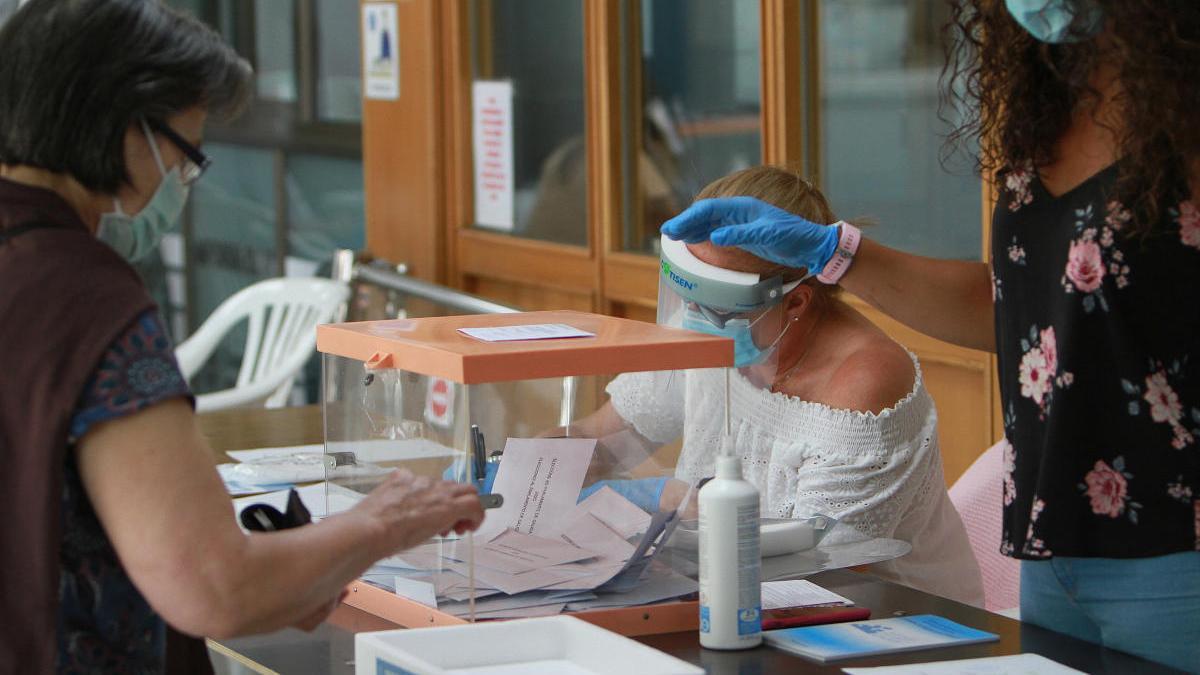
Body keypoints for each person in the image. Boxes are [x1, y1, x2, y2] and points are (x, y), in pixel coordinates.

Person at [660, 2, 1199, 670]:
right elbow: (1016, 305)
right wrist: (837, 253)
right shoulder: (1057, 98)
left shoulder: (1183, 110)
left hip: (1176, 548)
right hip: (1054, 540)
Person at [0, 2, 483, 672]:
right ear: (123, 126)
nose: (182, 186)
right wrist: (386, 520)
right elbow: (215, 585)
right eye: (186, 158)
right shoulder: (84, 298)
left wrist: (297, 568)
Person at [565, 166, 985, 607]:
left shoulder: (865, 384)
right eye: (690, 297)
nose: (694, 318)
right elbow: (605, 442)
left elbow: (817, 575)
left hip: (888, 620)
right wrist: (519, 474)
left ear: (797, 301)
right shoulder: (714, 322)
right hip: (723, 596)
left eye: (717, 305)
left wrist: (661, 511)